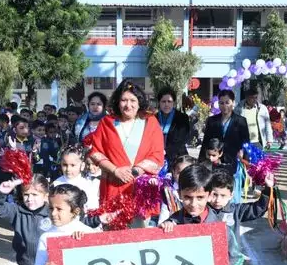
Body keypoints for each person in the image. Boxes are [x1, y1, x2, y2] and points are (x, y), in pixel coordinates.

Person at [88, 80, 164, 225]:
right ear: (117, 102)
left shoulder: (150, 122)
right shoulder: (107, 122)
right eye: (123, 100)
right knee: (114, 233)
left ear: (139, 102)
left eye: (132, 100)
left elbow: (157, 154)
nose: (128, 105)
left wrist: (134, 172)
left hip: (140, 188)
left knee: (139, 234)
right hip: (113, 186)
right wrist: (115, 170)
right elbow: (95, 151)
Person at [200, 90, 250, 176]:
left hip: (233, 161)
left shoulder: (241, 121)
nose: (224, 106)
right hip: (214, 162)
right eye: (221, 103)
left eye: (227, 102)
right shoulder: (212, 121)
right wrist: (201, 161)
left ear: (233, 103)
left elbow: (246, 142)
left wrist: (246, 162)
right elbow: (206, 142)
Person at [52, 145, 99, 211]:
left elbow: (92, 207)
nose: (68, 169)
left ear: (82, 166)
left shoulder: (87, 186)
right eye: (65, 165)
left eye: (73, 165)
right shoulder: (56, 184)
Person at [155, 88, 191, 164]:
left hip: (178, 158)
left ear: (174, 103)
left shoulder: (182, 118)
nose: (166, 104)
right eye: (163, 101)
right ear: (159, 103)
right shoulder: (154, 118)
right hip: (156, 157)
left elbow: (182, 140)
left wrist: (165, 151)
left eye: (169, 101)